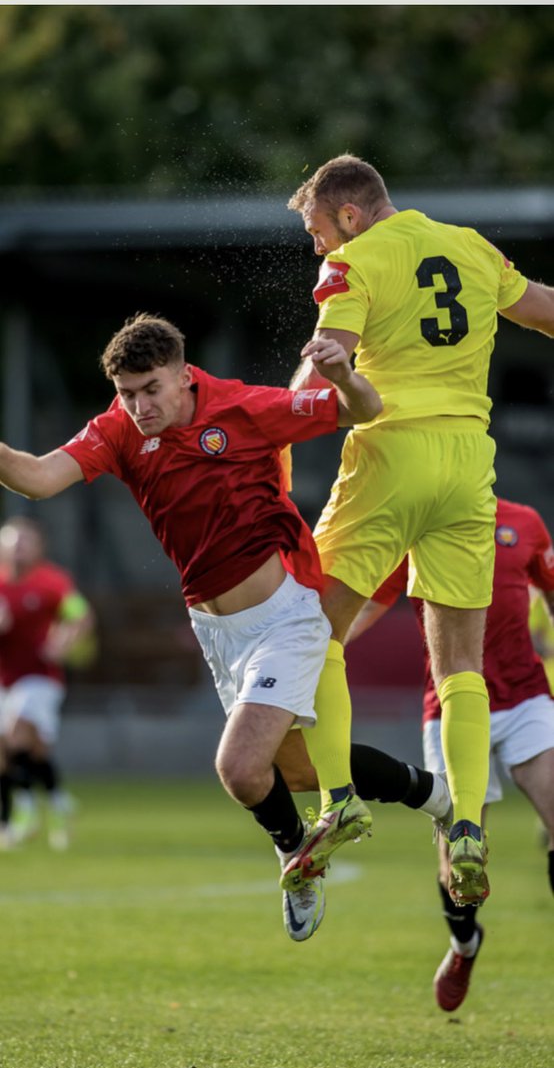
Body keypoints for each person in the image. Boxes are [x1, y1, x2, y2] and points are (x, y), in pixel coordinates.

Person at [0, 312, 390, 941]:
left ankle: (299, 856)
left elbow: (361, 411)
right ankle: (424, 799)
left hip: (286, 614)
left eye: (150, 389)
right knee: (286, 773)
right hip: (216, 632)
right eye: (126, 394)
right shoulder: (119, 430)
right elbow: (39, 478)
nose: (138, 406)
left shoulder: (241, 406)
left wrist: (344, 375)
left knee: (237, 768)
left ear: (184, 376)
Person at [286, 153, 554, 906]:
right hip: (469, 466)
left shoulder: (355, 263)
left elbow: (322, 380)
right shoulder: (471, 246)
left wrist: (266, 422)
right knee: (460, 664)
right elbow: (543, 311)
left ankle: (338, 799)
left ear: (349, 214)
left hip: (390, 457)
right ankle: (467, 823)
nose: (318, 249)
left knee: (315, 633)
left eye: (317, 232)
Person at [345, 496, 554, 1011]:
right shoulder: (421, 525)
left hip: (525, 699)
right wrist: (325, 646)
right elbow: (376, 599)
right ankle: (465, 944)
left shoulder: (523, 523)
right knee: (459, 859)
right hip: (450, 706)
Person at [0, 516, 95, 850]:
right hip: (5, 677)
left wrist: (64, 642)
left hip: (40, 677)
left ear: (39, 547)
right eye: (12, 540)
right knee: (31, 750)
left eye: (25, 540)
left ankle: (23, 811)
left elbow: (81, 615)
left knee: (17, 731)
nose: (18, 546)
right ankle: (57, 803)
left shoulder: (52, 582)